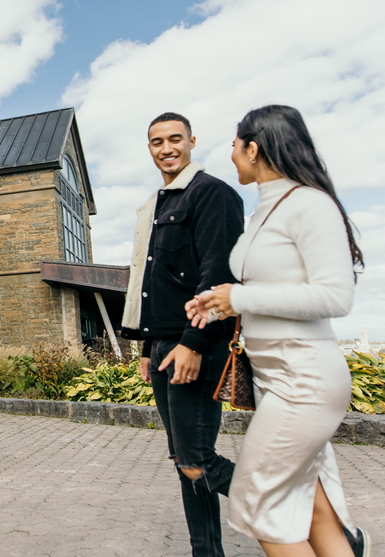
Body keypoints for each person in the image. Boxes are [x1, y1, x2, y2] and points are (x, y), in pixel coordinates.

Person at [189, 105, 369, 557]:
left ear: (253, 147)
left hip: (304, 375)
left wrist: (240, 298)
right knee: (312, 505)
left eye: (234, 145)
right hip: (275, 375)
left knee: (258, 502)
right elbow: (267, 291)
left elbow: (334, 297)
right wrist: (217, 305)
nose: (230, 155)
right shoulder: (263, 212)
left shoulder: (309, 204)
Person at [120, 112, 245, 557]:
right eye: (157, 142)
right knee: (183, 462)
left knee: (197, 461)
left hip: (197, 343)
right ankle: (206, 553)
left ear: (192, 141)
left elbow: (218, 275)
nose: (167, 148)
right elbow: (151, 281)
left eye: (175, 139)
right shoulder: (158, 203)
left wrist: (192, 344)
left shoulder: (212, 194)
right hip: (162, 345)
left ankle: (328, 529)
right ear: (149, 148)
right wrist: (144, 344)